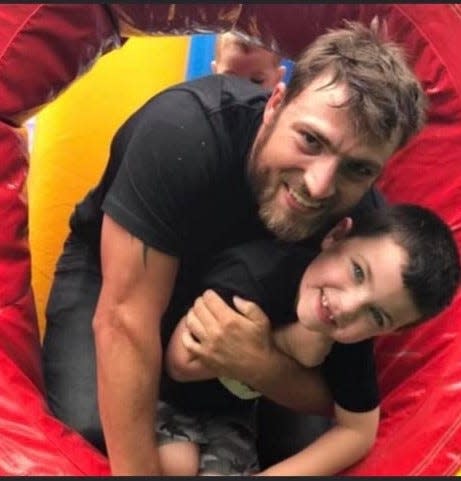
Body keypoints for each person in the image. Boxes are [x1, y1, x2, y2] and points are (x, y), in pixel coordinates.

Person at [42, 21, 426, 475]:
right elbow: (125, 318)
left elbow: (344, 401)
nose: (320, 185)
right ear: (275, 104)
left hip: (245, 326)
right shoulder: (185, 133)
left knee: (303, 444)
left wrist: (261, 362)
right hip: (118, 275)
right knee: (91, 431)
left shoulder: (354, 232)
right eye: (310, 140)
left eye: (358, 169)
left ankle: (217, 412)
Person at [158, 203, 460, 475]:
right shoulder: (258, 274)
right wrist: (283, 344)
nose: (348, 308)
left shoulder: (352, 337)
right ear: (337, 237)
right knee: (178, 466)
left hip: (230, 414)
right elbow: (180, 363)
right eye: (357, 271)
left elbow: (358, 432)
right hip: (165, 392)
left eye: (377, 315)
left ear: (391, 331)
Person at [211, 31, 286, 90]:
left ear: (277, 79)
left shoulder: (281, 109)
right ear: (215, 72)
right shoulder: (204, 105)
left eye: (256, 81)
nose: (241, 91)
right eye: (231, 80)